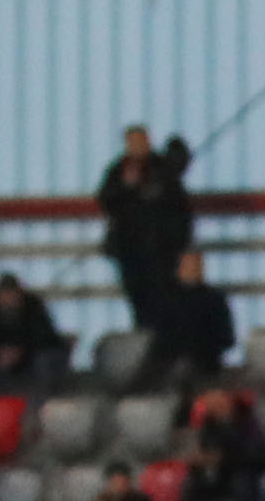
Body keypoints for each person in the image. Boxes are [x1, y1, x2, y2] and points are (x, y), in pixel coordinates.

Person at [94, 126, 193, 332]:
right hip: (130, 250)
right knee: (138, 300)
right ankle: (144, 337)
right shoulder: (118, 171)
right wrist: (127, 186)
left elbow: (179, 209)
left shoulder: (163, 170)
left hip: (161, 251)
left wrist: (178, 243)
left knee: (162, 299)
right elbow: (106, 201)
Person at [146, 250, 238, 392]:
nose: (192, 270)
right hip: (171, 367)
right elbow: (159, 338)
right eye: (188, 266)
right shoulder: (166, 301)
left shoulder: (215, 300)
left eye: (196, 265)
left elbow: (227, 338)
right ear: (179, 269)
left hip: (207, 367)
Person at [0, 275, 69, 394]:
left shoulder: (34, 306)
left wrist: (20, 351)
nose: (8, 298)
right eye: (3, 294)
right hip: (6, 357)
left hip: (35, 354)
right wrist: (0, 352)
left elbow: (44, 336)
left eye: (11, 293)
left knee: (43, 363)